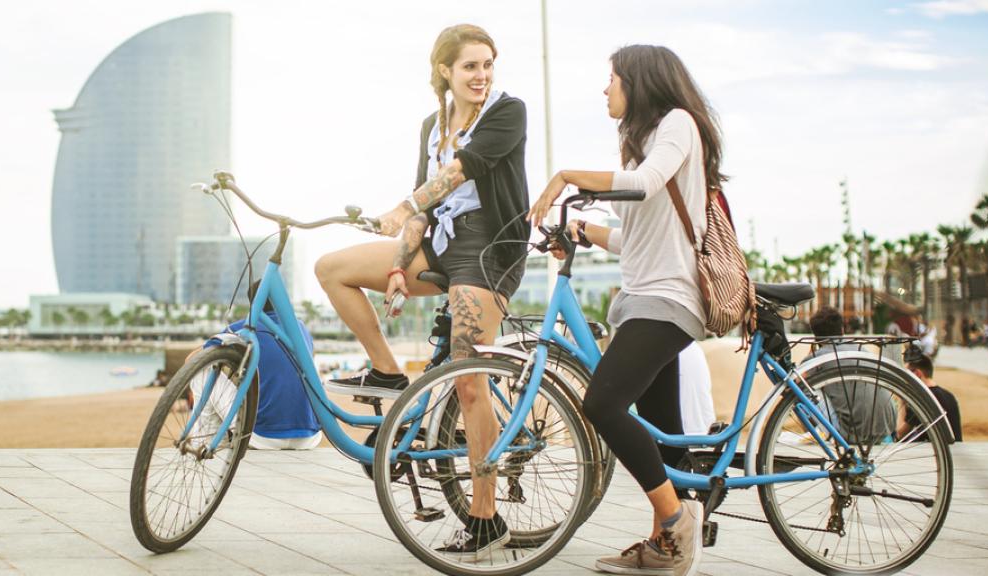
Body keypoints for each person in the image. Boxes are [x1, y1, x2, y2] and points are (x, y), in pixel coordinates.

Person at [314, 24, 529, 557]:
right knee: (331, 268)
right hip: (443, 242)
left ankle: (486, 518)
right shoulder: (432, 126)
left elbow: (461, 172)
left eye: (487, 64)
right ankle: (387, 371)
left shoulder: (508, 110)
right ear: (445, 72)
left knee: (469, 384)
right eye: (470, 66)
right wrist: (399, 263)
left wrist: (407, 208)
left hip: (490, 250)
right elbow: (427, 208)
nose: (481, 75)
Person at [529, 44, 722, 576]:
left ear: (639, 82)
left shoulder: (678, 124)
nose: (605, 89)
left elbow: (645, 185)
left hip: (668, 301)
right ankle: (671, 543)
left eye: (611, 79)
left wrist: (568, 174)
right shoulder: (642, 147)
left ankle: (675, 523)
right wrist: (585, 232)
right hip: (643, 300)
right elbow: (637, 239)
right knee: (664, 433)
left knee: (603, 406)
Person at [189, 281, 323, 450]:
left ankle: (209, 445)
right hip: (309, 436)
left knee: (203, 373)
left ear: (253, 302)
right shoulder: (300, 328)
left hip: (262, 435)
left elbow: (192, 361)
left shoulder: (242, 328)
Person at [806, 307, 897, 445]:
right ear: (842, 329)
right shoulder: (861, 349)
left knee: (803, 388)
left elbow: (793, 386)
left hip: (851, 434)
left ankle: (826, 436)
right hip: (887, 427)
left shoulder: (816, 359)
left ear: (815, 335)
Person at [900, 350, 962, 442]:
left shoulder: (921, 399)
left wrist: (903, 400)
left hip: (931, 453)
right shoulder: (949, 395)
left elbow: (900, 433)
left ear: (917, 374)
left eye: (907, 375)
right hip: (952, 450)